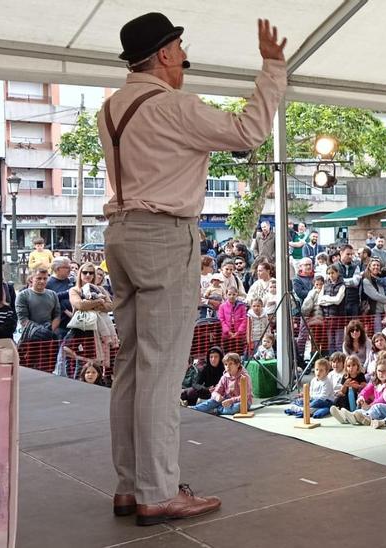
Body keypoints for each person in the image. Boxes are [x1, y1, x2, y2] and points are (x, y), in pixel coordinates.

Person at [97, 12, 287, 525]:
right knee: (159, 371)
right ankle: (157, 492)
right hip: (163, 234)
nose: (185, 57)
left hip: (120, 232)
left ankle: (128, 485)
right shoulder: (174, 107)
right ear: (163, 54)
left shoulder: (110, 108)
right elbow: (248, 132)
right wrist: (272, 70)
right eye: (179, 47)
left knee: (132, 366)